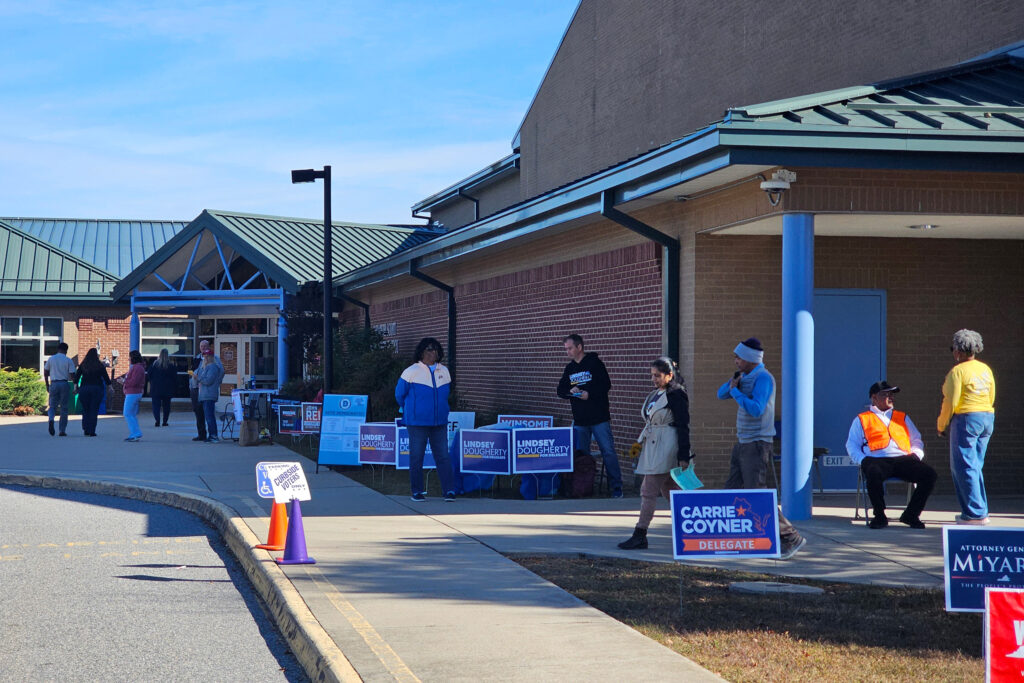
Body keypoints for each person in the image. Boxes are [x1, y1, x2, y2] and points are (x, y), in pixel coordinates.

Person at [716, 337, 806, 560]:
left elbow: (756, 409)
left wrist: (737, 392)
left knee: (757, 494)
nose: (735, 361)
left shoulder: (764, 378)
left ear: (749, 359)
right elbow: (720, 394)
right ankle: (732, 537)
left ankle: (790, 536)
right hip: (743, 442)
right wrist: (733, 383)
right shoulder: (744, 377)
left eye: (738, 357)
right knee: (732, 491)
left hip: (757, 443)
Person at [618, 357, 691, 550]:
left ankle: (640, 533)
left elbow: (683, 425)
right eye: (652, 375)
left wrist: (684, 455)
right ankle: (690, 530)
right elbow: (650, 423)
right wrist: (639, 443)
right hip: (654, 445)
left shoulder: (676, 394)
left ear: (669, 375)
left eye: (658, 376)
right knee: (671, 491)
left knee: (648, 490)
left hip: (668, 446)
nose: (654, 379)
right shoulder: (655, 394)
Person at [845, 381, 936, 529]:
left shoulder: (903, 417)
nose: (890, 397)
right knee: (873, 473)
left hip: (903, 460)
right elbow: (851, 445)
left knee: (929, 474)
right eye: (885, 394)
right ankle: (879, 516)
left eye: (891, 394)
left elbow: (916, 439)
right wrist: (863, 460)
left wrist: (916, 455)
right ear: (874, 398)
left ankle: (911, 515)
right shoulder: (862, 419)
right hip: (877, 460)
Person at [937, 329, 995, 525]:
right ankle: (981, 510)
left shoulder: (957, 372)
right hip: (986, 417)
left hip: (966, 419)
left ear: (957, 351)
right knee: (975, 465)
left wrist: (941, 425)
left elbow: (950, 402)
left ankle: (973, 514)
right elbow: (991, 395)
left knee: (963, 466)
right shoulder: (985, 369)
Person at [556, 334, 622, 498]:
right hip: (580, 420)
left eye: (570, 348)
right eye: (566, 349)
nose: (568, 352)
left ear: (579, 347)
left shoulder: (595, 363)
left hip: (599, 418)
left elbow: (606, 385)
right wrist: (570, 391)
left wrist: (589, 394)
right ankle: (584, 487)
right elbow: (560, 390)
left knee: (608, 451)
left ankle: (616, 488)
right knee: (582, 456)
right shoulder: (569, 369)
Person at [395, 337, 457, 502]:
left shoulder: (444, 371)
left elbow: (447, 394)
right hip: (417, 423)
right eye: (429, 349)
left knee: (443, 456)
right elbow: (399, 395)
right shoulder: (411, 371)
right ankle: (417, 491)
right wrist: (410, 410)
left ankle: (449, 491)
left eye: (436, 349)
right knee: (417, 456)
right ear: (421, 352)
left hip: (439, 422)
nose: (433, 352)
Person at [73, 348, 111, 437]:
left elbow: (76, 377)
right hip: (97, 389)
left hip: (84, 389)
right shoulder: (99, 365)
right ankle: (92, 431)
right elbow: (106, 377)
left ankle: (86, 428)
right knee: (94, 409)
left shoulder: (83, 365)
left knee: (86, 409)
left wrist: (75, 388)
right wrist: (110, 387)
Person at [43, 342, 77, 436]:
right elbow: (72, 375)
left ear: (58, 349)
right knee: (64, 408)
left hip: (53, 383)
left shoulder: (51, 359)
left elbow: (45, 372)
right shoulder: (68, 360)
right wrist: (75, 386)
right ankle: (62, 430)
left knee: (52, 405)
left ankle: (51, 419)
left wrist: (47, 385)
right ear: (66, 350)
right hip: (64, 383)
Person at [195, 349, 225, 443]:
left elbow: (208, 381)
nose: (206, 358)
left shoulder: (212, 367)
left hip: (209, 394)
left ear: (211, 357)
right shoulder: (206, 367)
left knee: (209, 417)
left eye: (207, 356)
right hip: (205, 394)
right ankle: (212, 435)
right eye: (205, 356)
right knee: (208, 416)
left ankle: (213, 436)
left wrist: (198, 378)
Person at [188, 340, 214, 441]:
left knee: (207, 412)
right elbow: (193, 370)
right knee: (198, 412)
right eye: (201, 346)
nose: (203, 348)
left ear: (208, 347)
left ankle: (212, 435)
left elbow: (220, 371)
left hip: (205, 389)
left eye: (205, 346)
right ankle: (201, 434)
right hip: (195, 388)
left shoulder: (213, 359)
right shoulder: (196, 358)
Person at [118, 350, 146, 442]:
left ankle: (136, 433)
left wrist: (124, 382)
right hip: (134, 392)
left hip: (133, 393)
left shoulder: (137, 368)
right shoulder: (138, 367)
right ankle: (135, 433)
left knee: (127, 413)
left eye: (129, 357)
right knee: (132, 414)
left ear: (133, 358)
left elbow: (134, 382)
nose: (128, 359)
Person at [147, 348, 178, 427]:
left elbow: (149, 375)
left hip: (156, 389)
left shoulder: (155, 365)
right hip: (167, 389)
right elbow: (175, 377)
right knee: (166, 406)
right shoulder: (171, 366)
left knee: (156, 406)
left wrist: (152, 382)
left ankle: (157, 420)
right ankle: (165, 421)